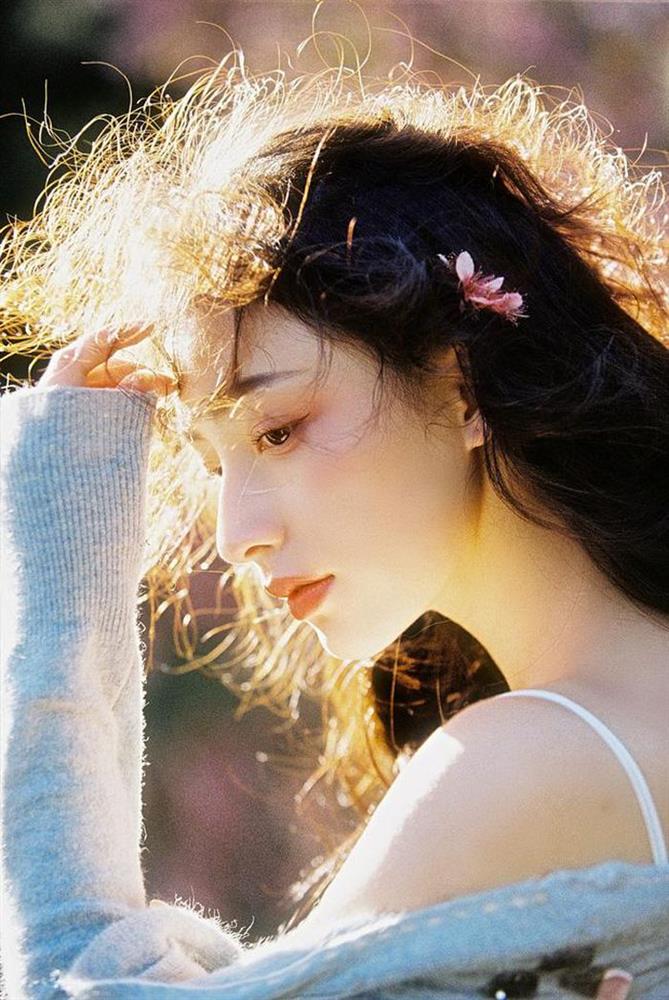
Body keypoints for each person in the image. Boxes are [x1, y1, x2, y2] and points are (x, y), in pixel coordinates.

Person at [1, 54, 667, 1000]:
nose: (234, 535)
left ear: (463, 384)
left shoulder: (536, 759)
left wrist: (61, 561)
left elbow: (69, 978)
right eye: (211, 464)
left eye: (279, 430)